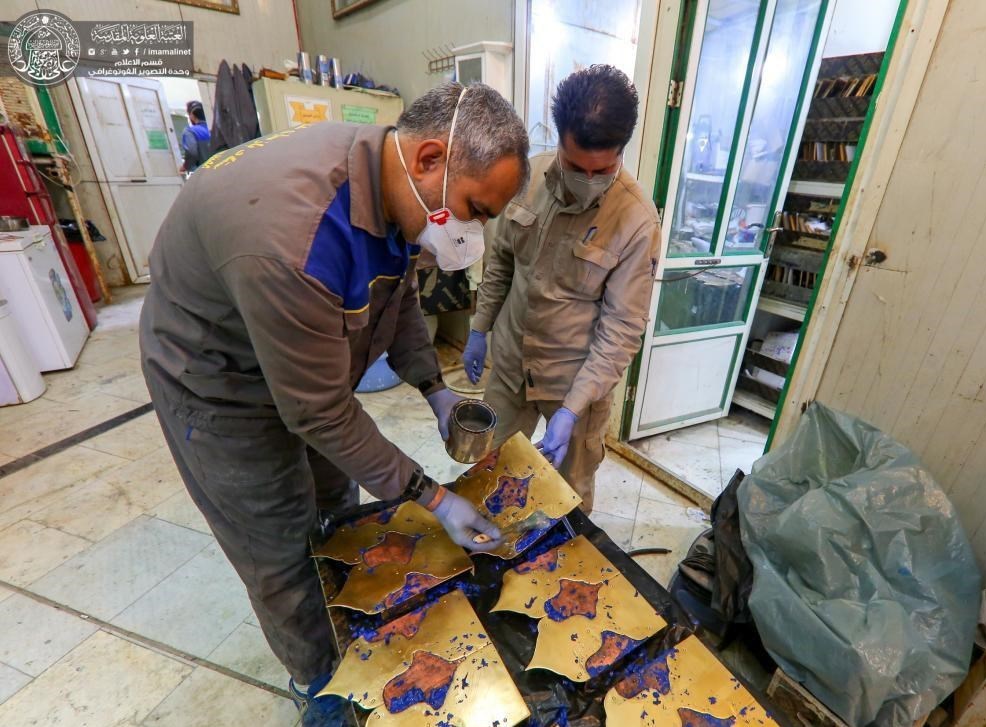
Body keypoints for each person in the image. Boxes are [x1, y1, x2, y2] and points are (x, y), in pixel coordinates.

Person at [140, 82, 529, 727]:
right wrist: (434, 498)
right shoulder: (295, 238)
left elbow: (396, 295)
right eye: (475, 210)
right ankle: (323, 681)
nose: (474, 230)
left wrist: (433, 388)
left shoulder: (393, 183)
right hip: (219, 380)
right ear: (431, 158)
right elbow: (317, 413)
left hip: (301, 361)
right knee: (281, 546)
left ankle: (353, 620)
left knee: (336, 506)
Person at [463, 65, 661, 514]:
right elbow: (502, 261)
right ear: (559, 140)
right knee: (488, 473)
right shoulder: (527, 178)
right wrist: (479, 327)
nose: (587, 179)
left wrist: (573, 409)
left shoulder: (637, 222)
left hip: (575, 383)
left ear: (621, 150)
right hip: (511, 363)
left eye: (602, 170)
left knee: (569, 498)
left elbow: (621, 330)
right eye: (574, 166)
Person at [179, 100, 212, 173]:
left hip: (204, 173)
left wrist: (185, 167)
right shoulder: (213, 129)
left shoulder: (190, 131)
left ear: (192, 115)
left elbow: (192, 153)